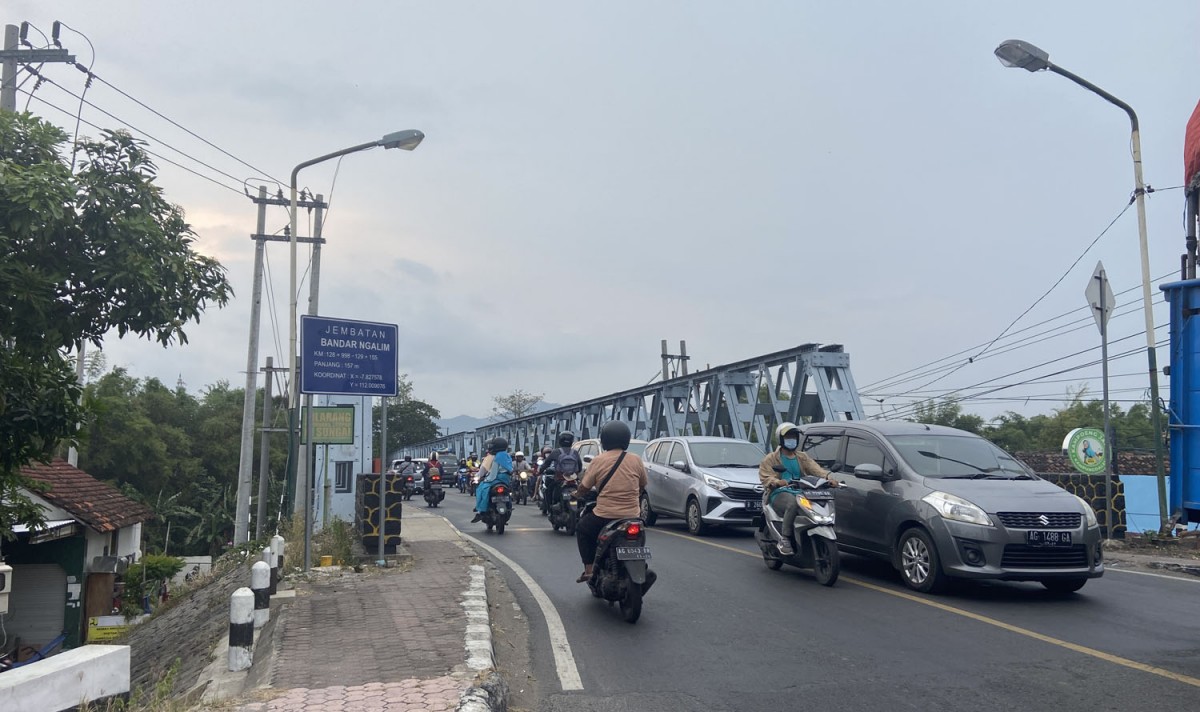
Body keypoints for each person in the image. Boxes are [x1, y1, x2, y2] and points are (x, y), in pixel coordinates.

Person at [573, 421, 647, 582]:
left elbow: (585, 487)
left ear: (604, 439)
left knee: (583, 529)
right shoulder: (636, 460)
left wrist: (577, 494)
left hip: (605, 515)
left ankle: (589, 570)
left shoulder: (599, 460)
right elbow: (642, 484)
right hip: (632, 516)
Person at [758, 422, 839, 555]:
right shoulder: (771, 459)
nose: (792, 439)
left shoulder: (802, 456)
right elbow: (766, 476)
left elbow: (816, 470)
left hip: (801, 491)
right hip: (779, 493)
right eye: (788, 436)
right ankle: (785, 539)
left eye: (794, 436)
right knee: (793, 503)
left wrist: (829, 478)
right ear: (781, 439)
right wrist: (777, 482)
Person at [472, 437, 513, 522]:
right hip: (505, 479)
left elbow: (485, 471)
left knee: (481, 489)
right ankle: (509, 506)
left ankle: (481, 509)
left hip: (495, 478)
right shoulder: (507, 455)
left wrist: (479, 477)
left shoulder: (492, 457)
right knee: (508, 492)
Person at [540, 432, 581, 515]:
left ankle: (550, 510)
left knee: (548, 490)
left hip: (560, 480)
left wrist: (540, 471)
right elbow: (580, 466)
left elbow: (546, 463)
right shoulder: (575, 453)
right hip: (573, 480)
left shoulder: (556, 452)